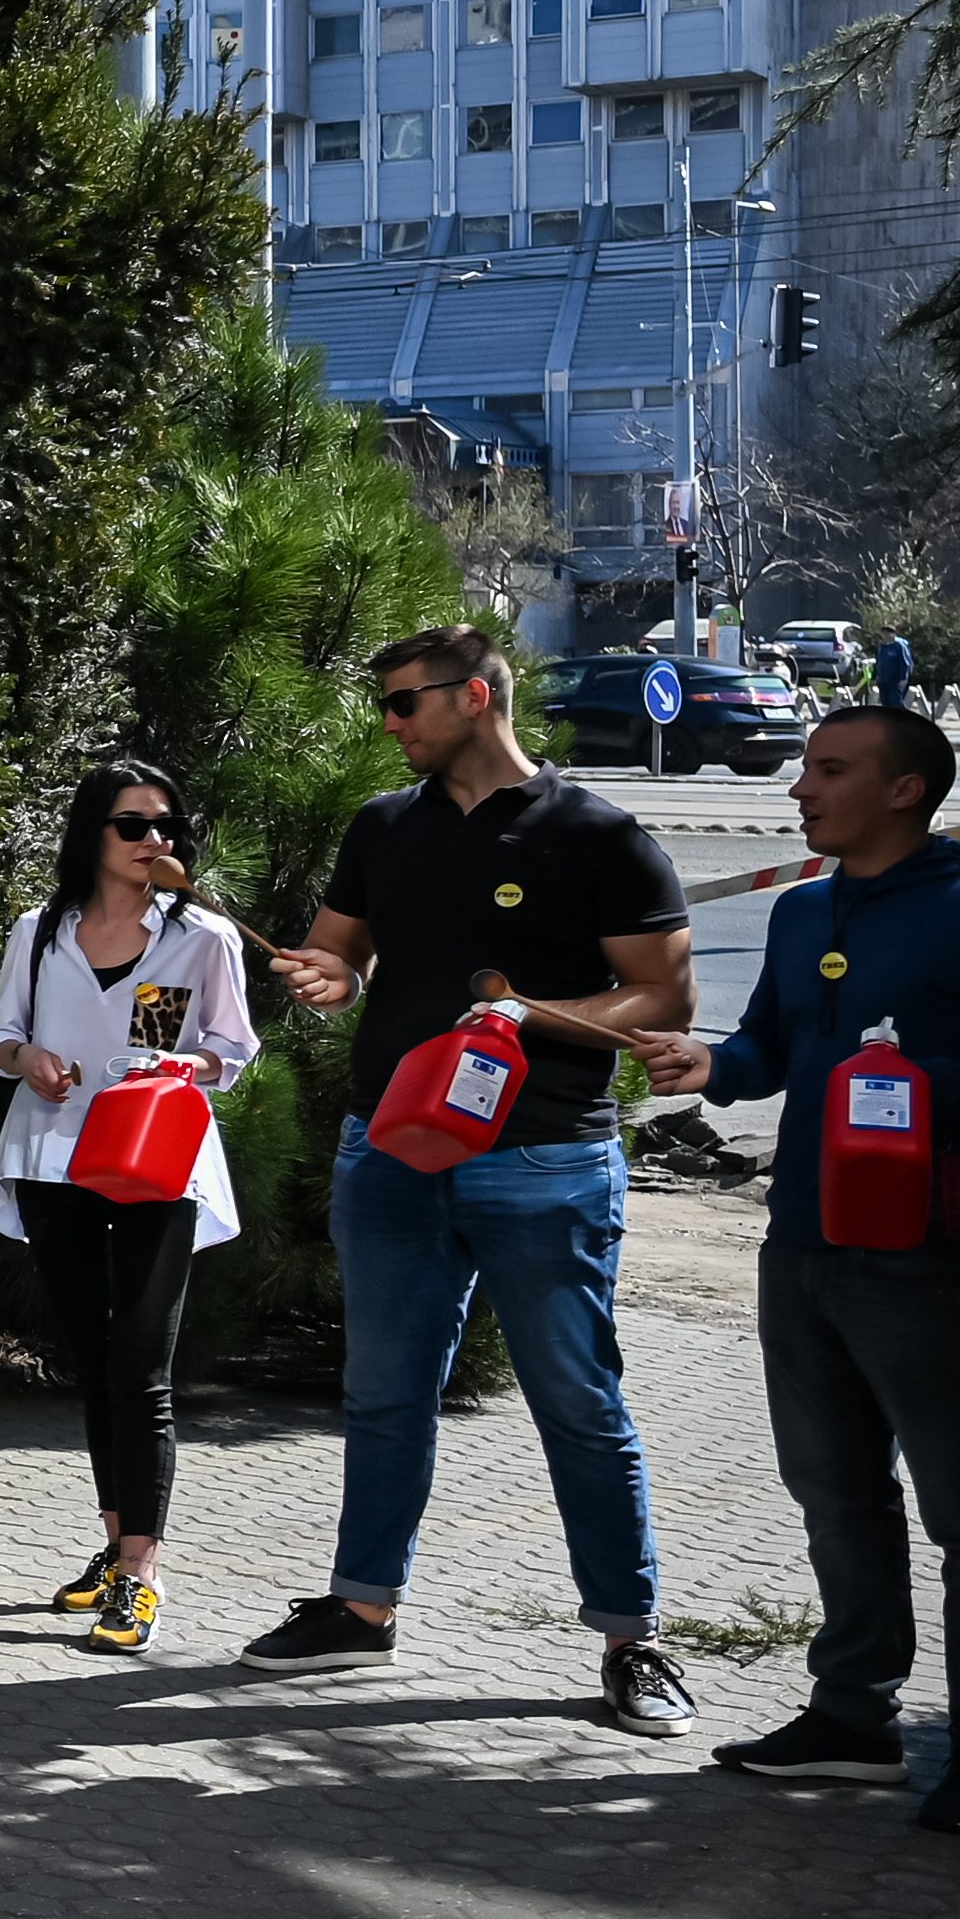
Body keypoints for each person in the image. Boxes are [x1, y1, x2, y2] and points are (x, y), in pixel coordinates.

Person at [648, 702, 960, 1832]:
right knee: (835, 1494)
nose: (801, 788)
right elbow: (771, 1045)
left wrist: (917, 1089)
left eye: (830, 769)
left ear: (905, 790)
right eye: (806, 768)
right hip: (800, 1246)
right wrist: (715, 1061)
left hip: (926, 1264)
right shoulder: (804, 909)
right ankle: (853, 1719)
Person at [248, 623, 704, 1735]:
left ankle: (632, 1639)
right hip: (392, 1150)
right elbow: (343, 959)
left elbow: (663, 998)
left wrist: (531, 1013)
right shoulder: (383, 826)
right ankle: (363, 1608)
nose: (390, 723)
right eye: (387, 704)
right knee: (385, 1393)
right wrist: (327, 981)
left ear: (479, 697)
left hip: (545, 1154)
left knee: (578, 1404)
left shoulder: (598, 834)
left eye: (407, 702)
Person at [0, 761, 259, 1656]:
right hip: (55, 1158)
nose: (154, 842)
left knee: (140, 1363)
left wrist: (183, 1067)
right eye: (133, 826)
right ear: (93, 833)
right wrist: (27, 1060)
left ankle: (143, 1572)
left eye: (167, 826)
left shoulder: (202, 937)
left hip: (154, 1161)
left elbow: (230, 1048)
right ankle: (112, 1540)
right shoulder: (40, 929)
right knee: (93, 1361)